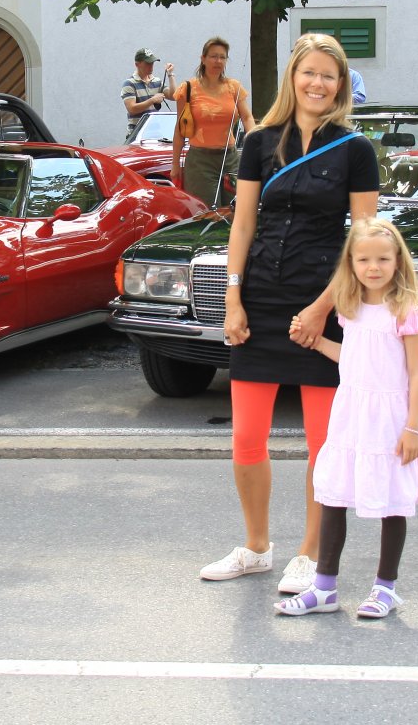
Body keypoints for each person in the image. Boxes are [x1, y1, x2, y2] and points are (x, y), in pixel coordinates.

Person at [201, 34, 380, 594]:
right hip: (259, 301)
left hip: (324, 301)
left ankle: (310, 553)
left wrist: (322, 308)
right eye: (309, 73)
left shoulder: (355, 150)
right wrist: (232, 298)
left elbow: (364, 242)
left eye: (329, 75)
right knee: (247, 438)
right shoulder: (259, 142)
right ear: (293, 77)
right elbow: (243, 225)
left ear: (341, 84)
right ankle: (257, 548)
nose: (318, 83)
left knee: (322, 444)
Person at [276, 218, 418, 617]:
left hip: (392, 418)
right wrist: (316, 341)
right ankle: (324, 588)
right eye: (363, 259)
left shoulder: (404, 311)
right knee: (333, 494)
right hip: (351, 413)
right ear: (350, 263)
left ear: (398, 261)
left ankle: (386, 588)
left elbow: (417, 375)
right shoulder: (350, 309)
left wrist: (412, 428)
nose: (373, 267)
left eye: (383, 259)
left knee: (392, 502)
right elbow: (352, 357)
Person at [169, 37, 256, 207]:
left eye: (223, 57)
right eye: (214, 56)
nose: (218, 61)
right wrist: (175, 165)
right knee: (206, 213)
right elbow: (179, 129)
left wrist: (254, 140)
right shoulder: (188, 89)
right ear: (203, 59)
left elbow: (247, 117)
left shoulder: (234, 87)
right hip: (200, 161)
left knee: (234, 210)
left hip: (230, 159)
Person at [120, 47, 174, 142]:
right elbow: (132, 109)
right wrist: (152, 100)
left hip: (156, 135)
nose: (151, 66)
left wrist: (170, 75)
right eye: (147, 63)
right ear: (137, 64)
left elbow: (174, 96)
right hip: (136, 136)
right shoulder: (129, 83)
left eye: (152, 63)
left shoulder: (157, 81)